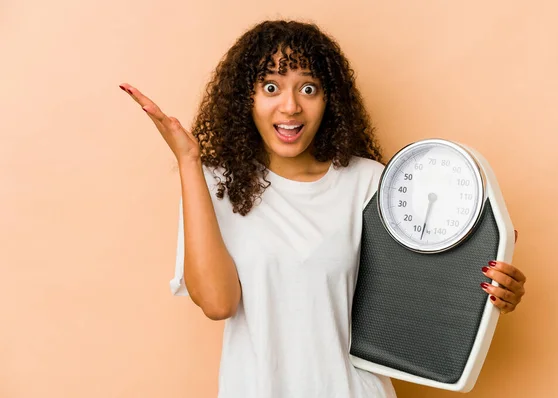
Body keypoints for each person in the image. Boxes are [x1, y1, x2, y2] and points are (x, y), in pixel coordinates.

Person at [119, 19, 527, 398]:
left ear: (330, 99)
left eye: (308, 88)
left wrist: (489, 290)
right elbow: (217, 303)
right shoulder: (215, 184)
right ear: (247, 98)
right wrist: (190, 162)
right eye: (271, 87)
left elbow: (417, 298)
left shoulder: (369, 183)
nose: (291, 106)